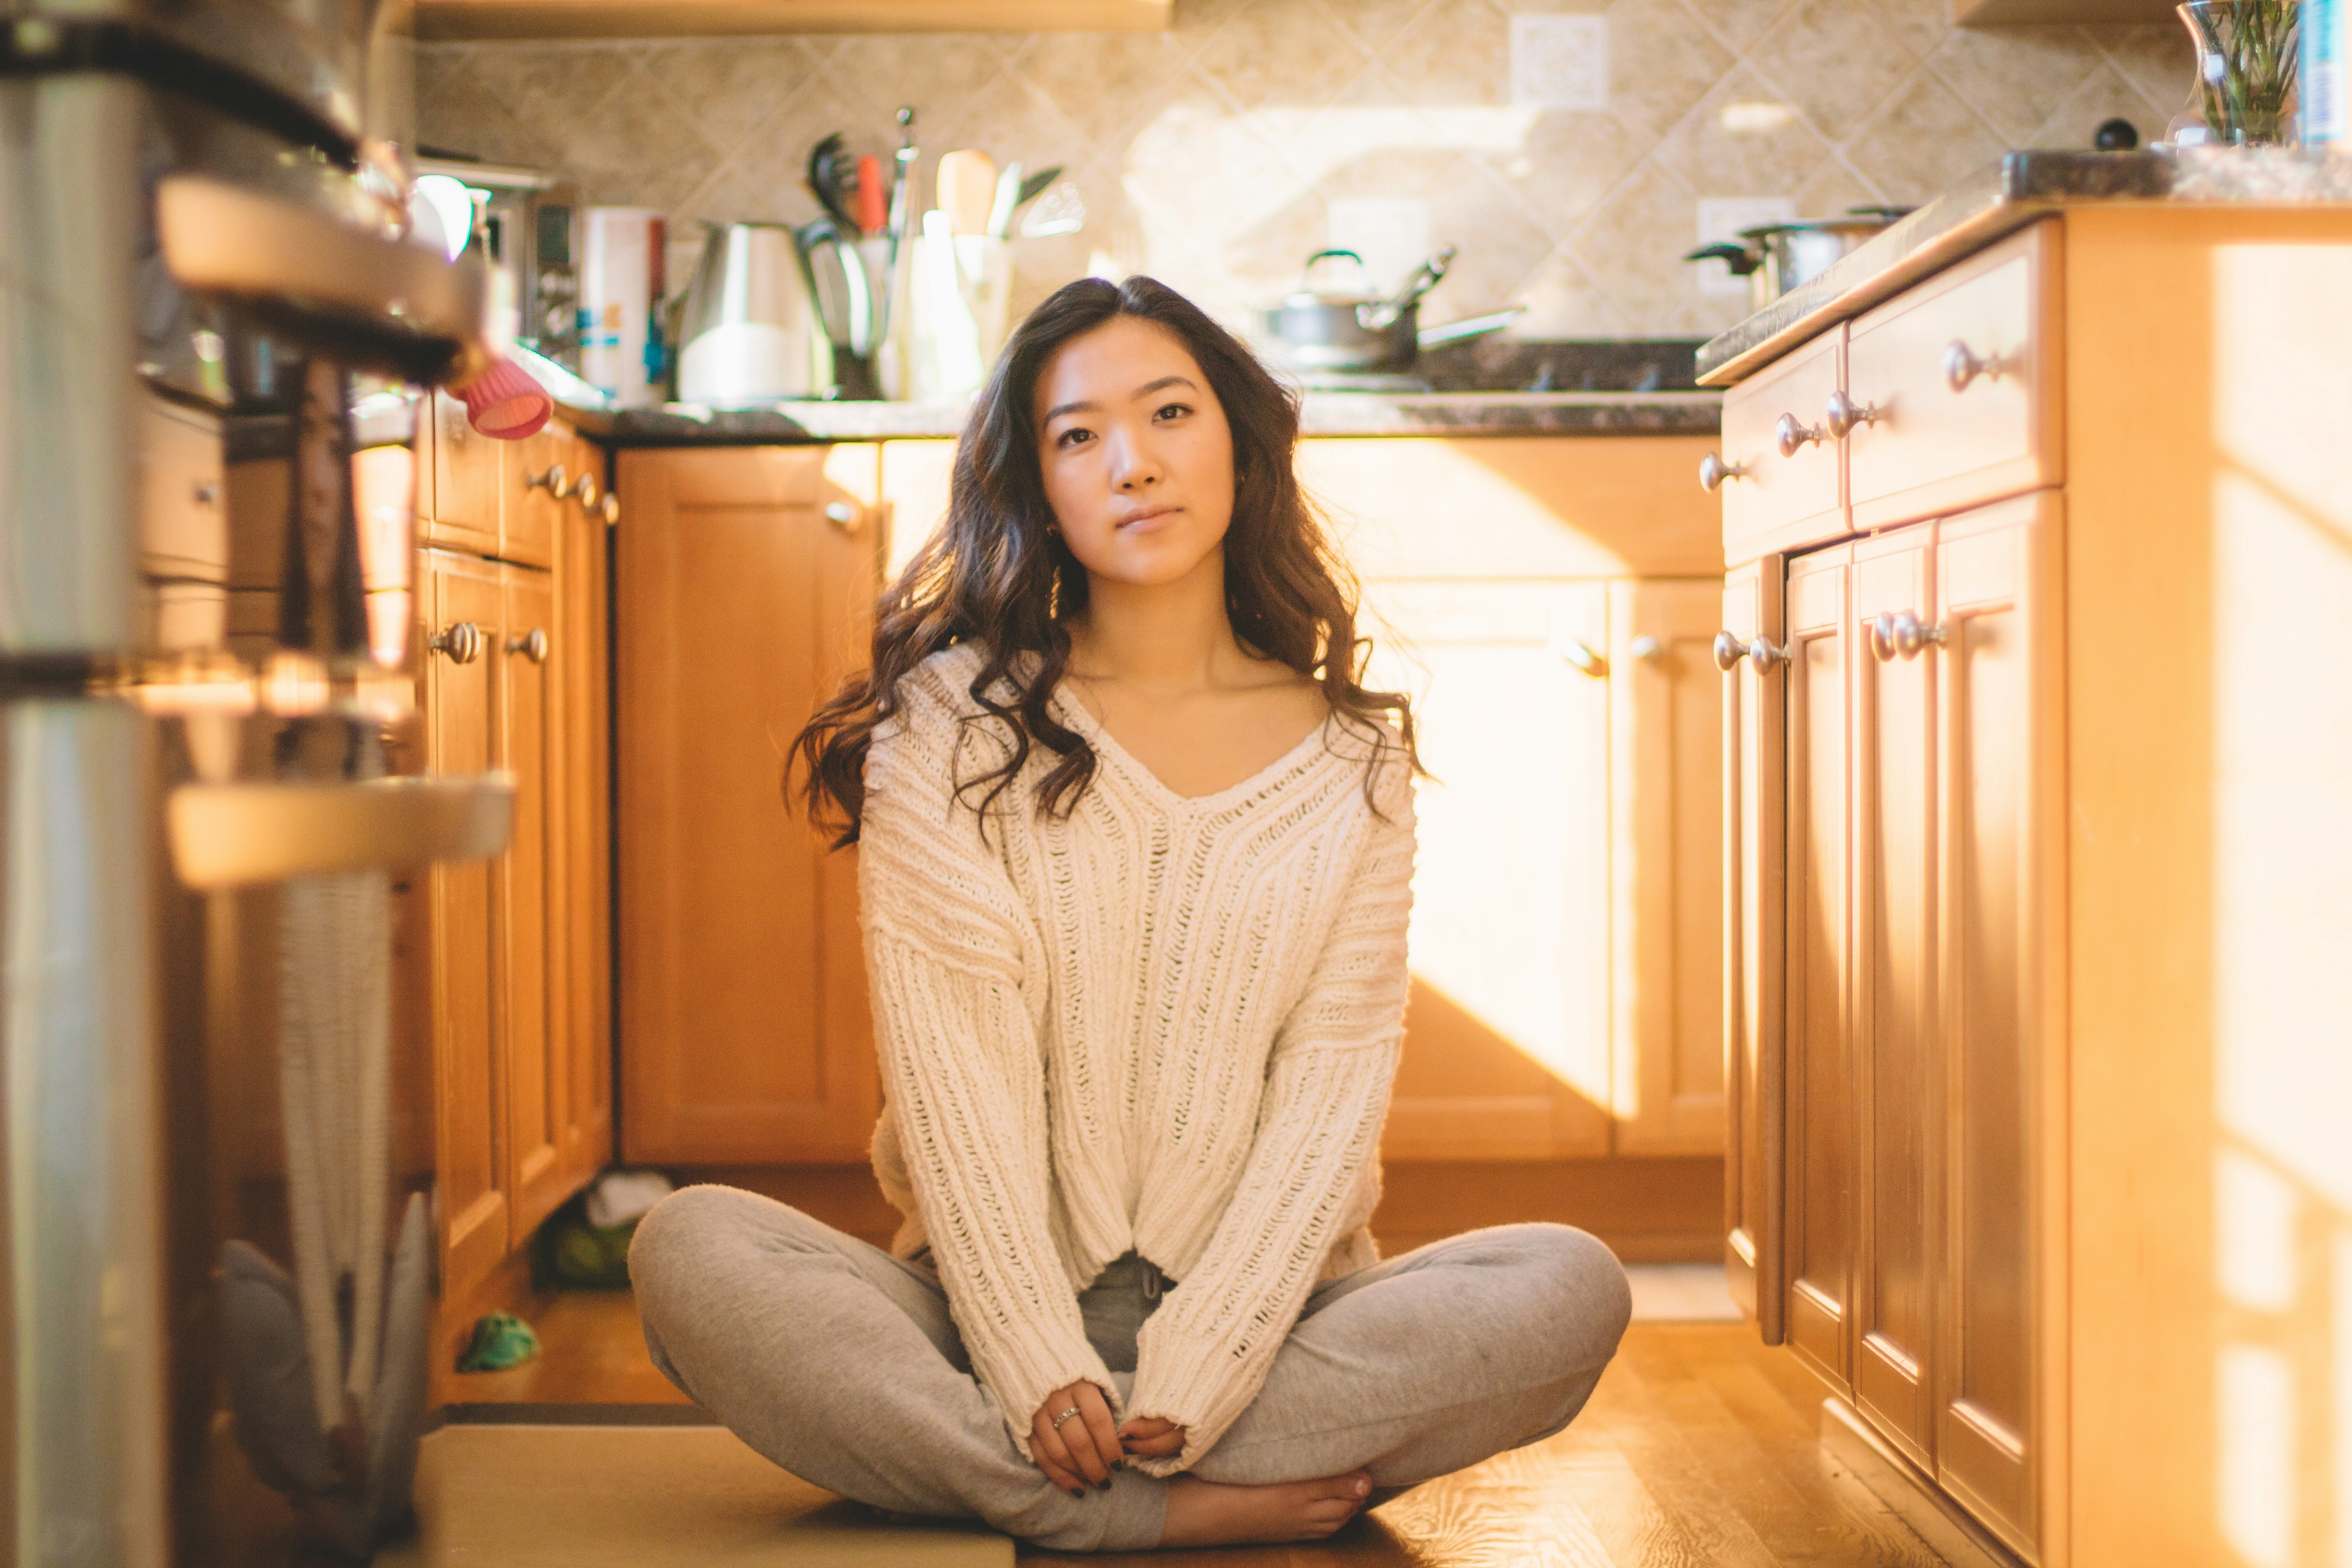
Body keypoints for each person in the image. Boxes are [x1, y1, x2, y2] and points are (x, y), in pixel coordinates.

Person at [627, 276, 1632, 1553]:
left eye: (1170, 413)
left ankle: (1026, 1478)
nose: (1135, 464)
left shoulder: (1354, 763)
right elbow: (954, 1076)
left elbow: (1332, 1088)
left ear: (1238, 443)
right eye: (1079, 435)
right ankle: (1136, 1508)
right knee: (690, 1246)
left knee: (1569, 1283)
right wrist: (1039, 1360)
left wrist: (1204, 1366)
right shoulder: (951, 724)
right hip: (978, 1312)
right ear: (1036, 483)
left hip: (1276, 1330)